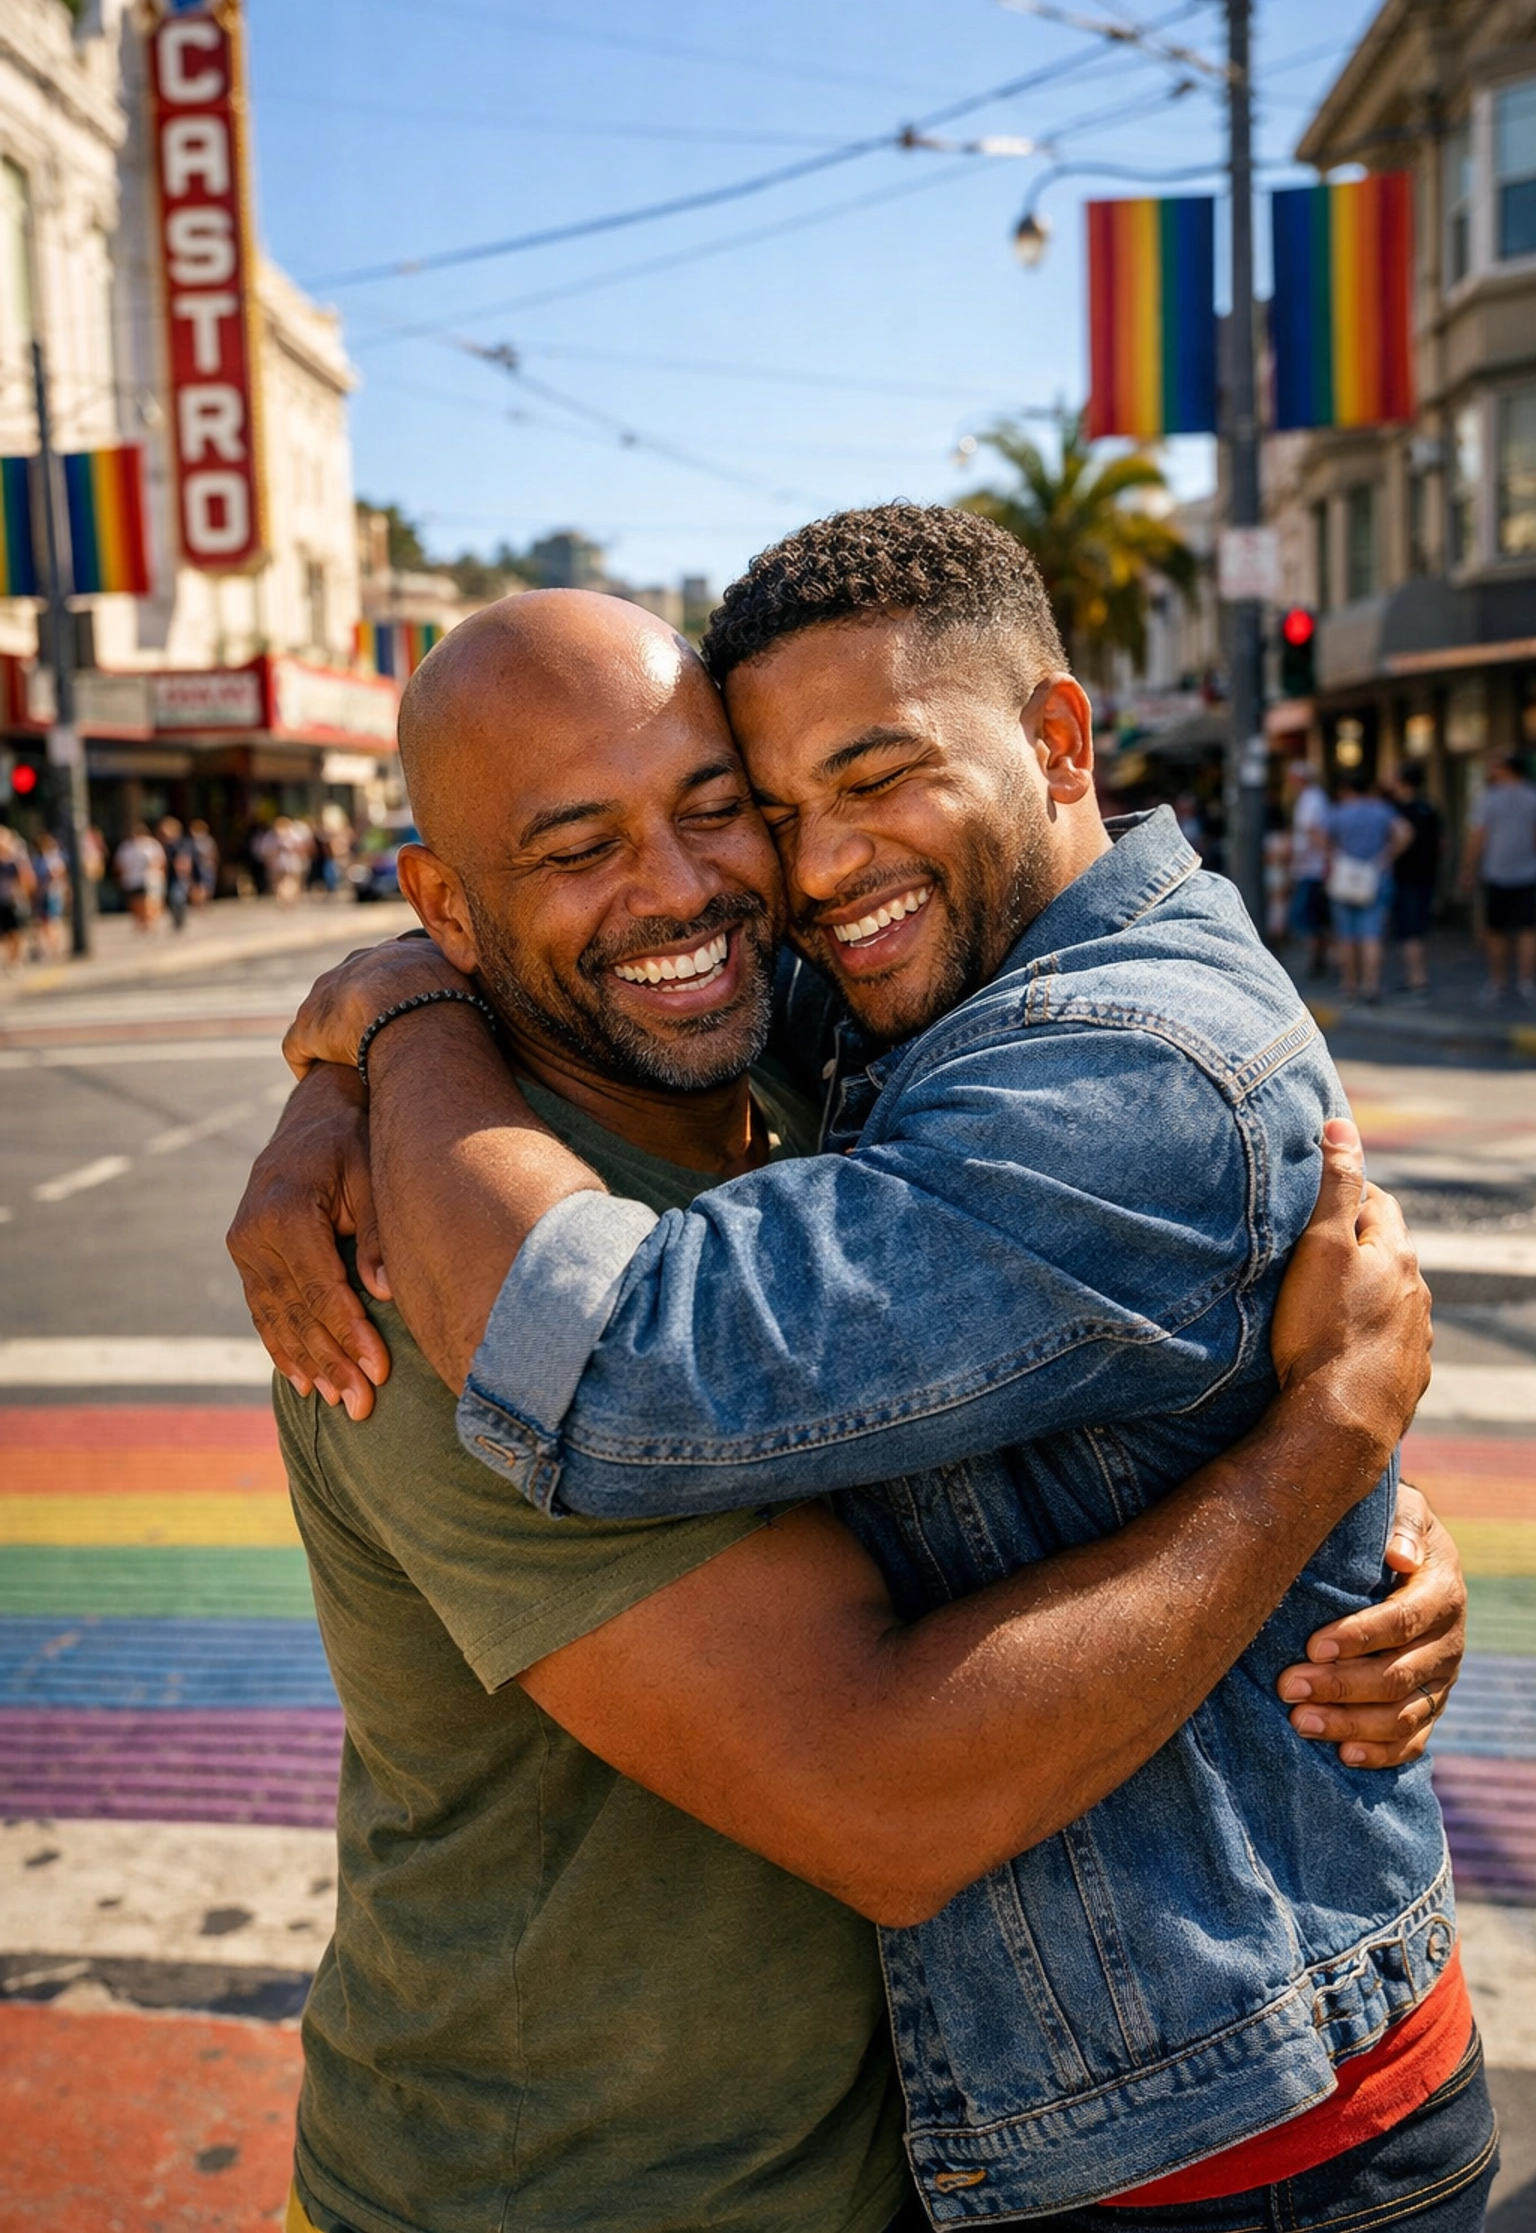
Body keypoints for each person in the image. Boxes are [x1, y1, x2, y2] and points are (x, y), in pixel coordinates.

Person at [247, 518, 1486, 2228]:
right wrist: (1317, 1458)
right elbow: (889, 1793)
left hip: (1145, 2135)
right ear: (450, 900)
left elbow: (684, 1361)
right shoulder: (410, 1285)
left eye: (711, 805)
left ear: (1056, 742)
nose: (740, 878)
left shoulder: (942, 1074)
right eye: (575, 847)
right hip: (555, 2190)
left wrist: (1353, 1502)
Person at [1325, 771, 1410, 1005]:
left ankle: (1349, 986)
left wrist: (1334, 855)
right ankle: (1370, 986)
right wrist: (1386, 857)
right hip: (1375, 875)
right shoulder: (1381, 810)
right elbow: (1404, 832)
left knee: (1346, 936)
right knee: (1371, 935)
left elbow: (1318, 835)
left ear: (1345, 790)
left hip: (1344, 875)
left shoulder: (1338, 812)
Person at [1461, 748, 1536, 1006]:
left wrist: (1468, 869)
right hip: (1528, 872)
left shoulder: (1488, 798)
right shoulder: (1532, 796)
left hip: (1497, 872)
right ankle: (1526, 983)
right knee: (1528, 930)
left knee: (1496, 931)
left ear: (1507, 769)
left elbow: (1477, 837)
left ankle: (1498, 982)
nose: (1491, 770)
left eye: (1496, 765)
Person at [1389, 762, 1443, 1000]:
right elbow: (1443, 844)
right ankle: (1420, 976)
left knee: (1409, 930)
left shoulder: (1398, 810)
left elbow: (1403, 837)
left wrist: (1383, 860)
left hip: (1406, 876)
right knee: (1419, 927)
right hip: (1427, 875)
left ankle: (1417, 980)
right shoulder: (1429, 807)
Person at [1286, 758, 1332, 975]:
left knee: (1306, 916)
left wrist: (1300, 861)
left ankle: (1317, 959)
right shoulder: (1315, 798)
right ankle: (1319, 958)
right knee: (1315, 916)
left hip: (1310, 868)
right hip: (1313, 866)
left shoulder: (1310, 799)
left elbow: (1313, 832)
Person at [114, 822, 166, 931]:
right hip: (132, 880)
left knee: (149, 901)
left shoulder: (152, 845)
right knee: (136, 902)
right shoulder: (126, 847)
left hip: (149, 879)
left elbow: (160, 861)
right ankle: (142, 922)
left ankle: (149, 922)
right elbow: (119, 864)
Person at [29, 832, 69, 960]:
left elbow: (58, 873)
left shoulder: (53, 857)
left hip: (52, 893)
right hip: (42, 893)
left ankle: (54, 947)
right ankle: (50, 947)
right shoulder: (38, 859)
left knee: (52, 920)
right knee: (44, 921)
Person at [0, 827, 34, 969]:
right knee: (6, 934)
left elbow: (27, 879)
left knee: (16, 932)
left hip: (13, 901)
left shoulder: (15, 860)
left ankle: (15, 960)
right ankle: (10, 958)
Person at [158, 817, 194, 931]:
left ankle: (179, 921)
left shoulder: (182, 844)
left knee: (177, 897)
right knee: (174, 897)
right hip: (169, 875)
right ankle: (177, 921)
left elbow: (184, 861)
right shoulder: (165, 845)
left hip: (178, 876)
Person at [187, 818, 219, 905]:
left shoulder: (207, 841)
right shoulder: (191, 842)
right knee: (197, 885)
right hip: (196, 866)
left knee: (206, 885)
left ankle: (203, 901)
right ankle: (198, 902)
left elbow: (213, 854)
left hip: (206, 866)